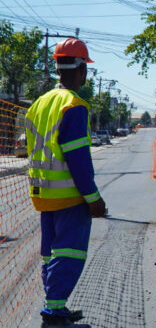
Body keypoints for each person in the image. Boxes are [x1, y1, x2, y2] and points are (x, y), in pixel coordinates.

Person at [25, 38, 106, 328]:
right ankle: (54, 317)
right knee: (69, 255)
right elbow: (78, 159)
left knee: (51, 255)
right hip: (70, 197)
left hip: (43, 195)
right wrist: (93, 197)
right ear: (82, 69)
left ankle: (55, 306)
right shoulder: (74, 106)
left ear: (58, 66)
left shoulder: (38, 104)